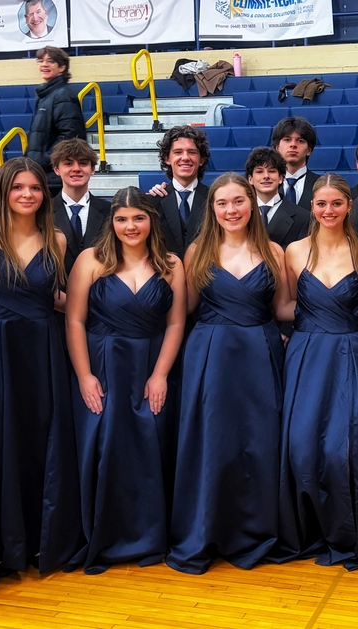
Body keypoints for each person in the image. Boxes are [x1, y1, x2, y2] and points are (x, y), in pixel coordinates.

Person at [167, 174, 294, 574]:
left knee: (259, 442)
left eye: (239, 201)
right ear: (212, 209)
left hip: (260, 352)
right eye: (222, 203)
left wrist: (343, 308)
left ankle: (254, 529)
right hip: (211, 355)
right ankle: (208, 528)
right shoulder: (196, 251)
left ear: (252, 203)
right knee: (213, 442)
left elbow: (282, 309)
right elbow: (180, 313)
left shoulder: (274, 251)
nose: (231, 210)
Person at [0, 157, 81, 573]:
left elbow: (58, 296)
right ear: (3, 191)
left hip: (44, 349)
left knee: (39, 441)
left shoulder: (57, 239)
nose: (27, 195)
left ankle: (36, 539)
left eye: (34, 188)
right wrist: (2, 305)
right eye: (18, 188)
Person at [65, 187, 187, 574]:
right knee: (106, 447)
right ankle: (106, 534)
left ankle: (150, 535)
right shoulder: (90, 260)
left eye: (138, 218)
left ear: (152, 219)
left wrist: (161, 374)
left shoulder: (171, 263)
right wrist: (84, 375)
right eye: (122, 219)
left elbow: (176, 322)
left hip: (152, 364)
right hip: (104, 364)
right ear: (111, 222)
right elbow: (75, 320)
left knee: (151, 447)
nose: (130, 226)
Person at [277, 174, 358, 570]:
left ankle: (348, 530)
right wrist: (315, 318)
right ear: (312, 207)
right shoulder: (294, 251)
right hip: (304, 352)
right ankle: (306, 530)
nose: (328, 210)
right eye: (321, 204)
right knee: (301, 446)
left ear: (348, 206)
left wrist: (342, 322)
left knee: (343, 449)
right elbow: (283, 306)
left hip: (349, 354)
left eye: (336, 203)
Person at [26, 46, 86, 197]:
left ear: (62, 67)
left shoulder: (63, 94)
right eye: (40, 61)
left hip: (54, 178)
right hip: (44, 174)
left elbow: (70, 136)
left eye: (50, 61)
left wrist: (41, 160)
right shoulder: (47, 95)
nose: (44, 64)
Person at [150, 125, 212, 257]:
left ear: (202, 160)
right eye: (178, 152)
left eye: (192, 152)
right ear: (167, 159)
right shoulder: (152, 201)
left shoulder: (214, 199)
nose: (185, 157)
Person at [51, 138, 108, 275]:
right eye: (68, 163)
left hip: (99, 291)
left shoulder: (110, 211)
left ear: (93, 169)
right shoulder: (43, 211)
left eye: (83, 163)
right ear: (57, 169)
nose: (76, 169)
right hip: (55, 293)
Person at [245, 146, 309, 247]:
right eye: (259, 171)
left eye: (271, 171)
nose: (266, 176)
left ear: (281, 178)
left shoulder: (303, 217)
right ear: (250, 179)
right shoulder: (240, 214)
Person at [272, 117, 320, 210]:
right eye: (287, 140)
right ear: (277, 147)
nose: (293, 145)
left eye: (300, 141)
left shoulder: (322, 184)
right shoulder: (265, 184)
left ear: (309, 150)